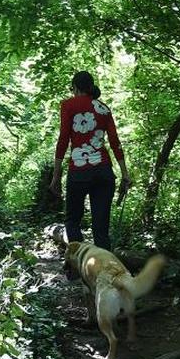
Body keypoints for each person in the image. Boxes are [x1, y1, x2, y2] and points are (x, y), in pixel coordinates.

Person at [49, 71, 131, 250]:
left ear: (76, 88)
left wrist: (56, 175)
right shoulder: (104, 108)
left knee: (72, 222)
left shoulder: (68, 105)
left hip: (79, 171)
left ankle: (77, 268)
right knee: (101, 230)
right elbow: (115, 142)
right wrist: (125, 173)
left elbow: (63, 139)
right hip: (104, 172)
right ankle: (106, 273)